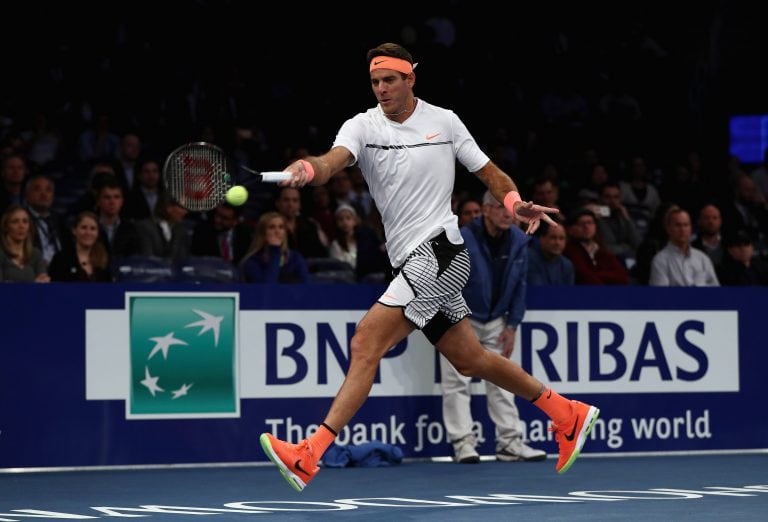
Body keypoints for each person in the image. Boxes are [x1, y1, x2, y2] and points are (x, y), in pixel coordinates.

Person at [259, 42, 600, 492]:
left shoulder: (444, 121)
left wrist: (515, 204)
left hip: (440, 252)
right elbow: (330, 162)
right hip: (412, 261)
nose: (381, 89)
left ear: (410, 78)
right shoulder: (362, 125)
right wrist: (306, 169)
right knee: (471, 358)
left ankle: (310, 453)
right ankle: (566, 412)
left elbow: (491, 175)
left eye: (390, 80)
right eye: (375, 82)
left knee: (366, 342)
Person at [440, 190, 546, 464]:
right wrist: (453, 320)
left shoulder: (520, 240)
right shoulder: (460, 236)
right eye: (500, 207)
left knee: (505, 380)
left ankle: (510, 443)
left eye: (510, 208)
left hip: (498, 320)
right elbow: (445, 280)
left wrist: (512, 325)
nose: (506, 213)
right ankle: (463, 443)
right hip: (460, 318)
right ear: (485, 210)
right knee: (456, 382)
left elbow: (520, 286)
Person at [240, 211, 310, 283]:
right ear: (262, 233)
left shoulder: (295, 258)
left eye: (281, 227)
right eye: (272, 227)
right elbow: (266, 291)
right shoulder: (252, 262)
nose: (277, 231)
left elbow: (306, 288)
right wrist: (275, 251)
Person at [48, 211, 112, 282]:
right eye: (83, 227)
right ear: (74, 230)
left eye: (93, 229)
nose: (88, 232)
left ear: (97, 233)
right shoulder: (60, 259)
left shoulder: (104, 259)